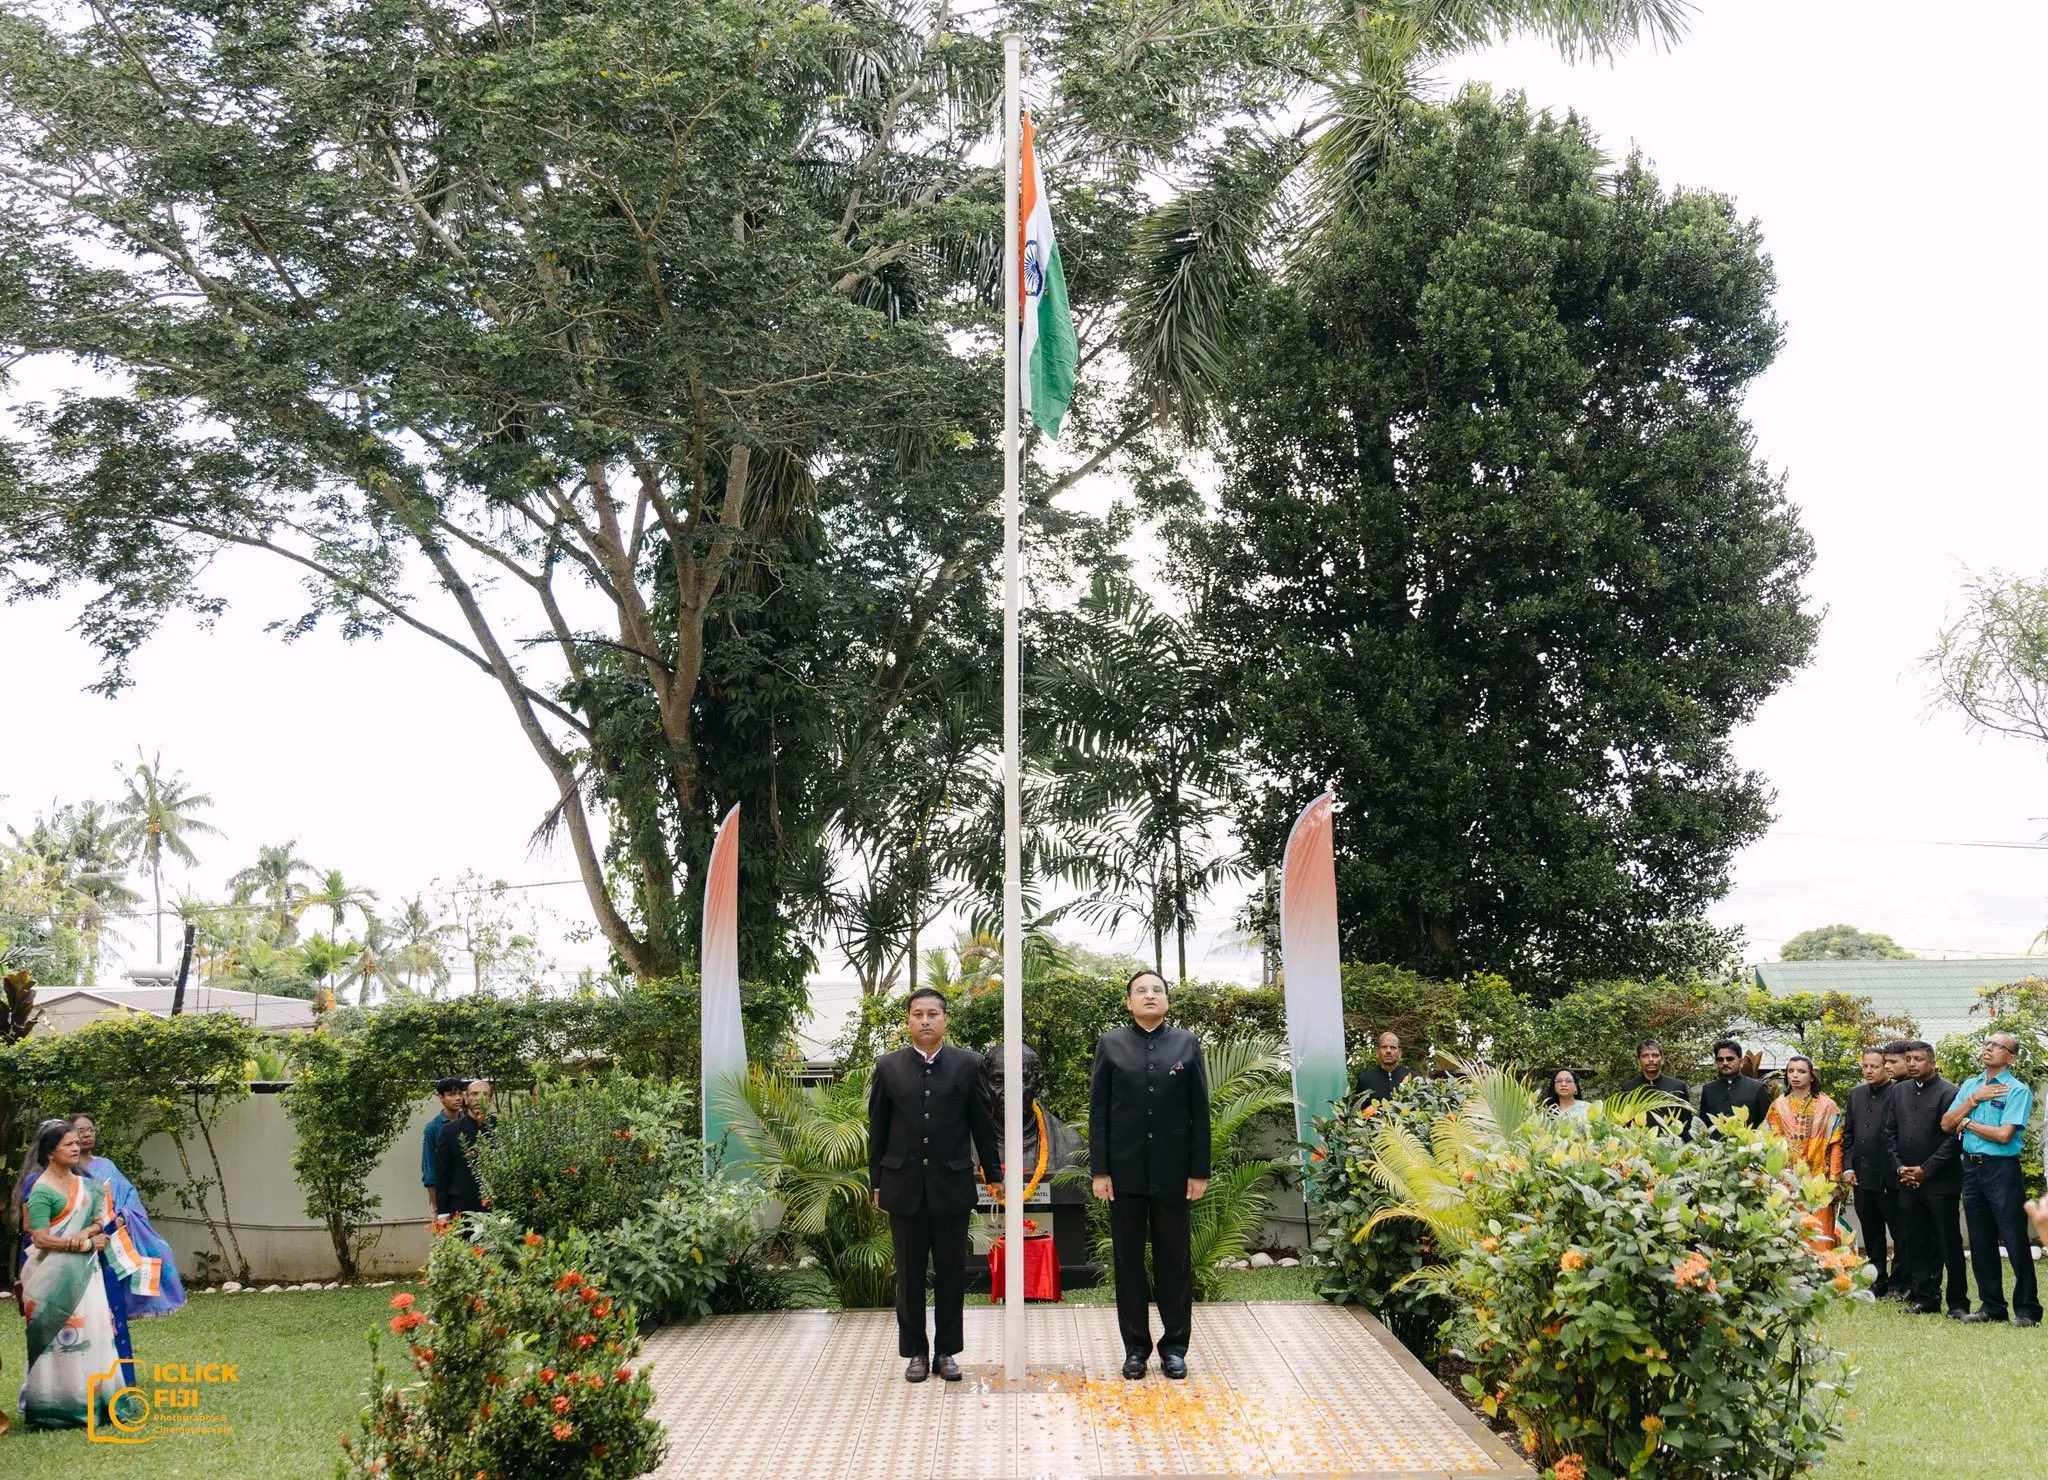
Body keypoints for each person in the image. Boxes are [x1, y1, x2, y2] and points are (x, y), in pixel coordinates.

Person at [868, 987, 1000, 1384]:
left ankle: (946, 1352)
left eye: (932, 1014)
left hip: (951, 1185)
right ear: (908, 1021)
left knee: (950, 1273)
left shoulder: (968, 1064)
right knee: (908, 1276)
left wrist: (994, 1175)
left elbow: (982, 1123)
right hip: (903, 1186)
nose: (925, 1020)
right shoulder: (888, 1067)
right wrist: (878, 1183)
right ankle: (915, 1353)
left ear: (945, 1021)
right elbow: (879, 1130)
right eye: (917, 1014)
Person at [1091, 969, 1211, 1382]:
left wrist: (1198, 1171)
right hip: (1122, 1176)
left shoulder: (1186, 1043)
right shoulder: (1110, 1044)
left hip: (1174, 1175)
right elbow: (1100, 1113)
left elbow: (1200, 1112)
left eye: (1156, 990)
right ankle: (1135, 1350)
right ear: (1128, 1002)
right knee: (1128, 1264)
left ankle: (1175, 1348)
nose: (1148, 995)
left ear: (1167, 1001)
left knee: (1174, 1263)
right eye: (1140, 991)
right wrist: (1100, 1170)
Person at [17, 1119, 151, 1431]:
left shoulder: (88, 1185)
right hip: (49, 1276)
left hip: (87, 1275)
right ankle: (57, 1408)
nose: (77, 1147)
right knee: (58, 1341)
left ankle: (99, 1401)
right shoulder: (41, 1191)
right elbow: (39, 1237)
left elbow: (97, 1220)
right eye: (68, 1144)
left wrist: (89, 1234)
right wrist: (84, 1242)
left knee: (94, 1333)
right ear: (51, 1152)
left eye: (78, 1142)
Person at [1942, 1032, 2039, 1326]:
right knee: (1980, 1239)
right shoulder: (1971, 1086)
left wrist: (1967, 1121)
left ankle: (2027, 1310)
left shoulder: (2016, 1090)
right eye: (1987, 1043)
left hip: (2002, 1170)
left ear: (2010, 1057)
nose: (1989, 1048)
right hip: (1971, 1169)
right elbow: (1947, 1123)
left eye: (1997, 1045)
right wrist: (1973, 1100)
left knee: (2014, 1239)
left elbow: (2004, 1134)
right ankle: (1992, 1306)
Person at [68, 1113, 184, 1319]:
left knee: (160, 1249)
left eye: (90, 1130)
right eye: (81, 1131)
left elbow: (129, 1194)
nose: (87, 1135)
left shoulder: (106, 1165)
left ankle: (140, 1307)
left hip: (117, 1227)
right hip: (84, 1231)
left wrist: (122, 1218)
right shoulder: (68, 1169)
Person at [1883, 1040, 1967, 1317]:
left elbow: (1953, 1139)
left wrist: (1926, 1169)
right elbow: (1889, 1133)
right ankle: (1924, 1298)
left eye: (1918, 1059)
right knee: (1915, 1240)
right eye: (1909, 1059)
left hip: (1940, 1182)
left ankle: (1957, 1302)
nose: (1912, 1064)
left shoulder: (1950, 1092)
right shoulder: (1898, 1091)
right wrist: (1899, 1168)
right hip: (1906, 1181)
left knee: (1948, 1242)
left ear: (1932, 1062)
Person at [1766, 1055, 1843, 1250]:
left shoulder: (1827, 1105)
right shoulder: (1777, 1106)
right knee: (1788, 1230)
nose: (1795, 1075)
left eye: (1801, 1071)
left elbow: (1836, 1144)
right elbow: (1770, 1143)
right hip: (1786, 1180)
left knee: (1819, 1233)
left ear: (1811, 1076)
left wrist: (1834, 1179)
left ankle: (1823, 1275)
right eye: (1791, 1071)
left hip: (1819, 1180)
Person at [1839, 1047, 1898, 1297]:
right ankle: (1878, 1280)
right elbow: (1849, 1135)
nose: (1869, 1070)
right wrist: (1848, 1167)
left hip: (1889, 1176)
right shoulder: (1856, 1094)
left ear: (1887, 1066)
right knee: (1871, 1231)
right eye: (1865, 1066)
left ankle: (1899, 1281)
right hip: (1861, 1175)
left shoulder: (1897, 1093)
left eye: (1874, 1066)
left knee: (1898, 1230)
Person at [433, 1079, 496, 1226]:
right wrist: (443, 1212)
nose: (478, 1098)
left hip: (494, 1208)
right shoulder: (450, 1131)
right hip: (461, 1208)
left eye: (484, 1094)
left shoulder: (502, 1128)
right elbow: (442, 1174)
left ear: (490, 1099)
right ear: (466, 1099)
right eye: (474, 1094)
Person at [1697, 1040, 1771, 1130]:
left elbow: (1767, 1125)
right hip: (1716, 1143)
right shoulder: (1709, 1090)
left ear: (1741, 1061)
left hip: (1748, 1142)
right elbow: (1704, 1125)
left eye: (1730, 1059)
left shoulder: (1757, 1088)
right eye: (1720, 1059)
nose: (1725, 1063)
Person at [422, 1077, 468, 1219]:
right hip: (444, 1196)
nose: (457, 1098)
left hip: (467, 1194)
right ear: (441, 1098)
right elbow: (429, 1168)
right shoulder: (433, 1128)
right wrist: (437, 1207)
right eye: (451, 1094)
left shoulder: (469, 1124)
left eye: (460, 1093)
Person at [1632, 1039, 1694, 1137]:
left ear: (1662, 1059)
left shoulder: (1678, 1086)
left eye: (1655, 1055)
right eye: (1645, 1056)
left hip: (1671, 1145)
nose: (1651, 1059)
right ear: (1639, 1060)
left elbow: (1686, 1123)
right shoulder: (1629, 1088)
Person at [1354, 1032, 1412, 1104]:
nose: (1388, 1051)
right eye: (1384, 1047)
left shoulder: (1413, 1079)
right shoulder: (1365, 1080)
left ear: (1400, 1053)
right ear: (1377, 1052)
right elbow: (1357, 1111)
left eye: (1393, 1047)